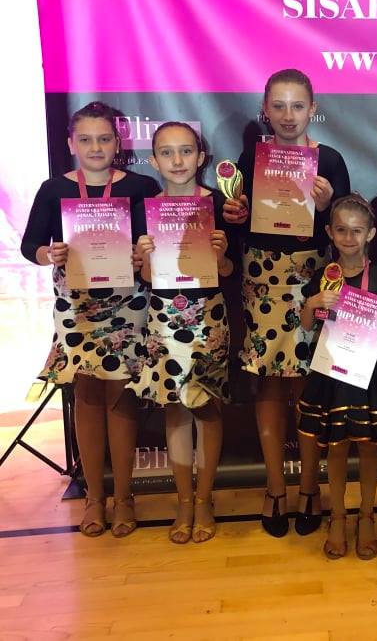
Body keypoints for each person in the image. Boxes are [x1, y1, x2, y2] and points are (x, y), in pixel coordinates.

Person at [21, 101, 160, 537]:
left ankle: (125, 497)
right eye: (85, 139)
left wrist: (142, 254)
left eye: (103, 139)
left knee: (120, 397)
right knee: (86, 397)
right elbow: (30, 246)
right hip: (76, 307)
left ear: (118, 143)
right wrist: (49, 253)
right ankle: (94, 498)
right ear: (71, 144)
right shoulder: (53, 189)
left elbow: (155, 242)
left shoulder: (141, 186)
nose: (95, 147)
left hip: (127, 303)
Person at [223, 69, 350, 537]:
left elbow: (346, 229)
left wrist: (329, 204)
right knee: (270, 386)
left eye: (297, 105)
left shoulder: (329, 160)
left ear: (312, 108)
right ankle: (276, 488)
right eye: (279, 105)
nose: (288, 115)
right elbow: (239, 223)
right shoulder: (250, 157)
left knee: (308, 388)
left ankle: (310, 488)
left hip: (312, 278)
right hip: (262, 280)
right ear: (265, 109)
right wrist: (234, 213)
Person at [131, 122, 233, 544]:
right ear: (154, 160)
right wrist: (142, 258)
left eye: (186, 151)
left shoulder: (220, 206)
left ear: (201, 157)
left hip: (208, 317)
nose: (177, 160)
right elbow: (147, 277)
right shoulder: (146, 209)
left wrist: (221, 256)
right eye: (167, 152)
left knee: (206, 408)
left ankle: (205, 500)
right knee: (174, 409)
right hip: (164, 319)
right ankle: (184, 502)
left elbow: (230, 271)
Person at [298, 194, 377, 559]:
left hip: (369, 375)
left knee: (370, 449)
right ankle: (339, 517)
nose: (348, 237)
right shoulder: (322, 277)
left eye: (356, 231)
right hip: (332, 374)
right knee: (337, 447)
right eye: (341, 230)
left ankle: (367, 516)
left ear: (370, 234)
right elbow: (307, 326)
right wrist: (312, 303)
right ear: (329, 232)